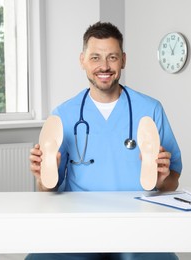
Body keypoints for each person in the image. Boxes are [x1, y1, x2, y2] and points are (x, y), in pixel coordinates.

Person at [27, 21, 182, 260]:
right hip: (78, 225)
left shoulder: (150, 110)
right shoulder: (63, 114)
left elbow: (172, 182)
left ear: (124, 60)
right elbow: (48, 189)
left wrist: (162, 181)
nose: (104, 66)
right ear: (82, 60)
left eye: (112, 57)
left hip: (138, 224)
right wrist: (41, 178)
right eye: (96, 57)